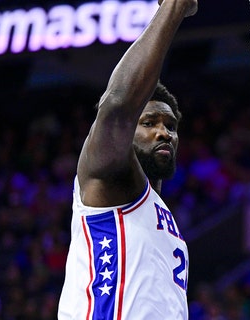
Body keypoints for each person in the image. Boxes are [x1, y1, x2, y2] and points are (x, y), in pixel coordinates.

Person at [57, 0, 197, 318]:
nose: (164, 133)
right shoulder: (107, 178)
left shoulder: (159, 213)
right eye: (149, 123)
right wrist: (174, 8)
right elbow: (118, 106)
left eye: (171, 126)